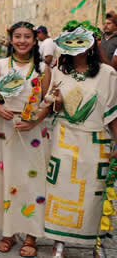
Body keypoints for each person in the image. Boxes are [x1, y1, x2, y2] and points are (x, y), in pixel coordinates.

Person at [43, 20, 117, 258]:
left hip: (96, 142)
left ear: (91, 45)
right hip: (64, 140)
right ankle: (60, 242)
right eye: (71, 41)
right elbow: (50, 107)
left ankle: (98, 243)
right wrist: (56, 102)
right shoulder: (58, 72)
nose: (76, 47)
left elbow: (113, 112)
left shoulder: (108, 74)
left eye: (81, 41)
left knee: (95, 194)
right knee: (61, 191)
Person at [0, 21, 51, 257]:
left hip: (32, 131)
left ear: (35, 40)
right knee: (6, 178)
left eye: (27, 37)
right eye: (17, 36)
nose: (22, 41)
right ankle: (8, 232)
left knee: (32, 181)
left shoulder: (42, 69)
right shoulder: (0, 65)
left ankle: (31, 234)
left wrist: (34, 121)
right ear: (10, 39)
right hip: (4, 128)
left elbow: (47, 103)